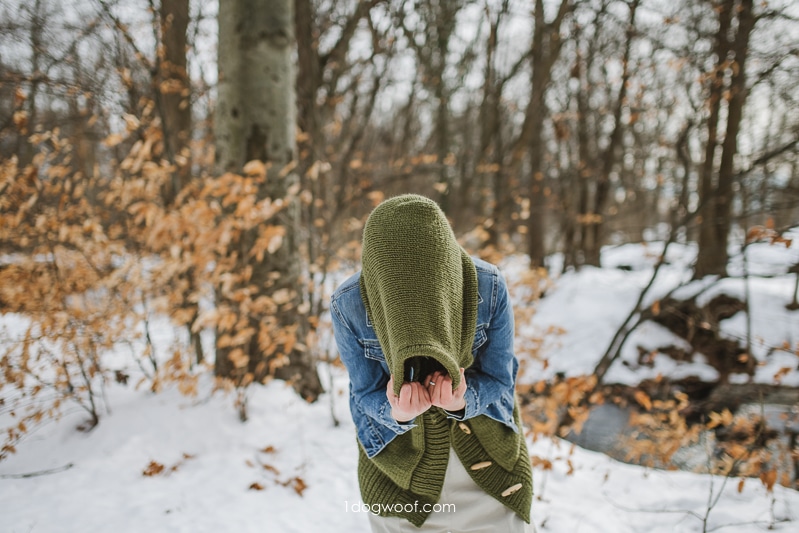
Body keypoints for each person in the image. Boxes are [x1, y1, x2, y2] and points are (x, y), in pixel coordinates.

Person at [330, 194, 533, 532]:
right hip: (398, 477)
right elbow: (363, 393)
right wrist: (397, 412)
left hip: (489, 468)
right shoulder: (349, 303)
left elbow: (501, 379)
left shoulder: (488, 285)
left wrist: (461, 402)